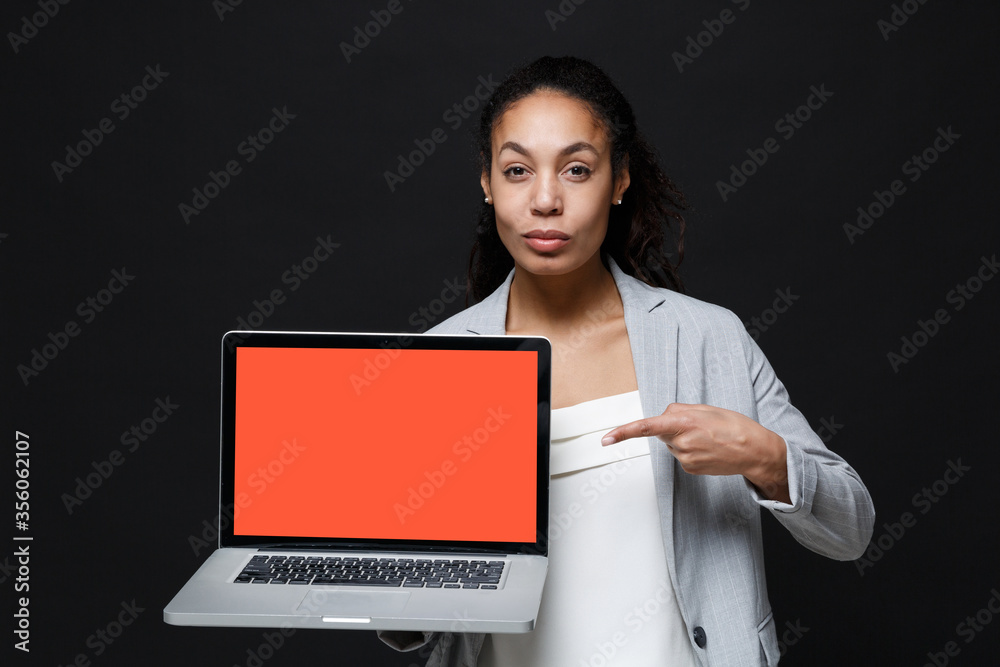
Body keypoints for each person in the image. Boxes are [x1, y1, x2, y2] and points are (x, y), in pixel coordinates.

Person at [379, 55, 874, 666]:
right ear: (487, 182)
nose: (545, 199)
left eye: (577, 169)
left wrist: (763, 457)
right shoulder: (440, 359)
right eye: (516, 170)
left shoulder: (707, 338)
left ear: (619, 181)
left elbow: (851, 530)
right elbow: (409, 623)